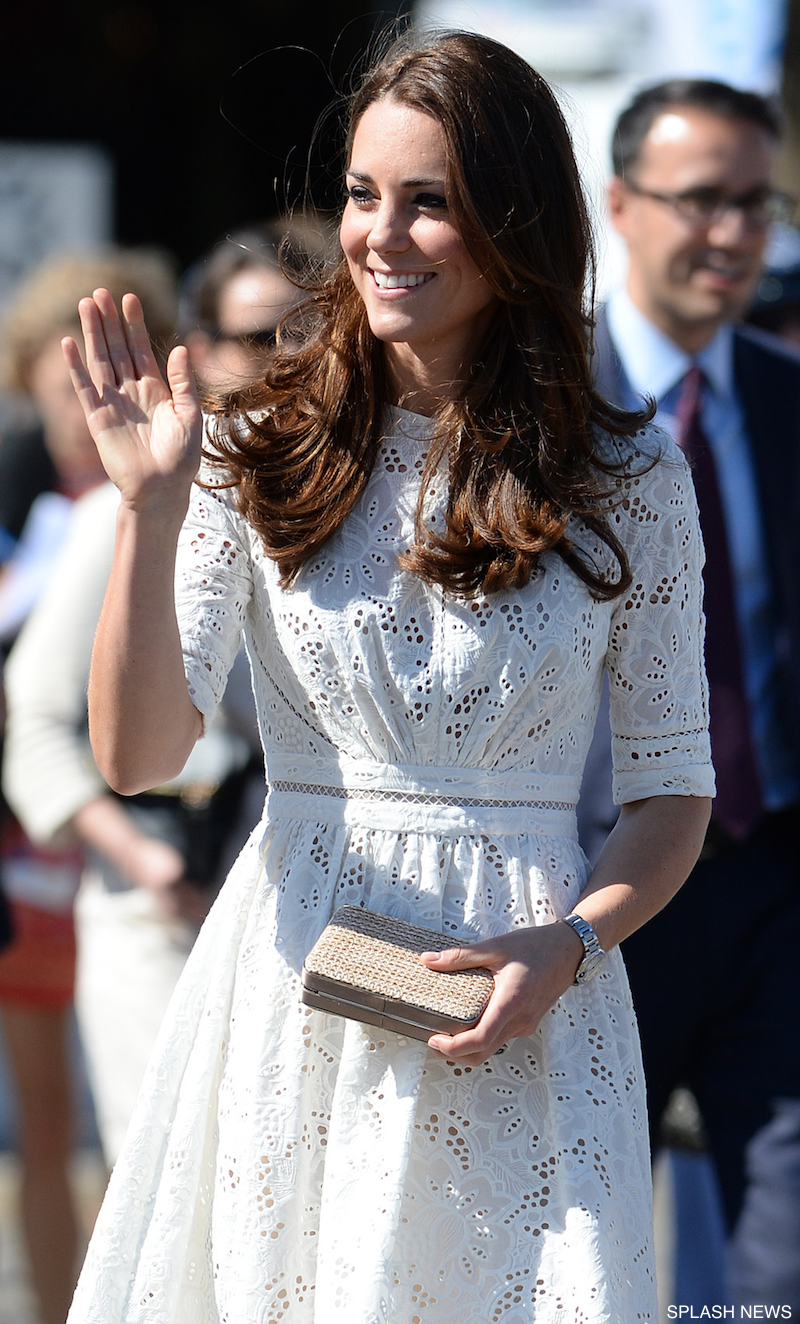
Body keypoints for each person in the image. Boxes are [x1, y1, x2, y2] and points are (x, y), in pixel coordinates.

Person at [62, 31, 713, 1323]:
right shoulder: (252, 451)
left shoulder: (632, 479)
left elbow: (671, 792)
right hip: (289, 990)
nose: (381, 235)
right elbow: (139, 758)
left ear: (515, 222)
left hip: (524, 1006)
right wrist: (144, 510)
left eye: (431, 202)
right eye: (365, 194)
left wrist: (575, 943)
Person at [578, 78, 800, 1315]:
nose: (729, 232)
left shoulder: (782, 397)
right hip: (595, 887)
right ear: (619, 204)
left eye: (753, 203)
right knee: (583, 1231)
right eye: (698, 198)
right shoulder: (543, 402)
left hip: (772, 881)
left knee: (776, 1264)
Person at [0, 247, 178, 1324]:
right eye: (50, 374)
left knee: (137, 1116)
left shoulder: (164, 503)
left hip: (138, 859)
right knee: (44, 1117)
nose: (77, 404)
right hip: (29, 850)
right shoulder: (24, 507)